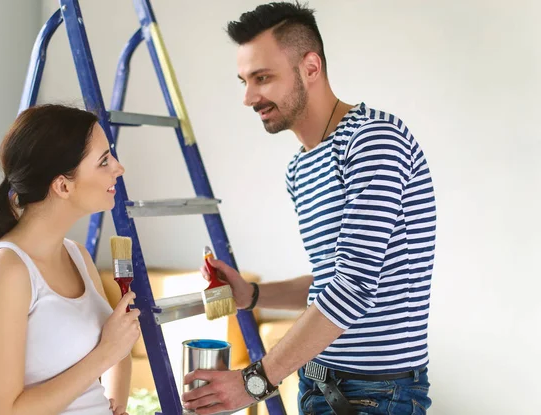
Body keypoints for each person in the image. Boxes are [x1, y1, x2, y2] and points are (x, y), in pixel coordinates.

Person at [182, 2, 436, 414]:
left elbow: (352, 288)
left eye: (262, 78)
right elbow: (331, 282)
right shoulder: (300, 167)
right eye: (244, 81)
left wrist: (255, 381)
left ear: (311, 67)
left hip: (377, 396)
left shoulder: (372, 141)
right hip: (318, 383)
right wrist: (254, 294)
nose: (248, 97)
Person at [0, 104, 140, 415]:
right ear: (62, 185)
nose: (119, 167)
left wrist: (118, 404)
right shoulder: (5, 270)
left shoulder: (77, 255)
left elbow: (118, 348)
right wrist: (104, 355)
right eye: (103, 161)